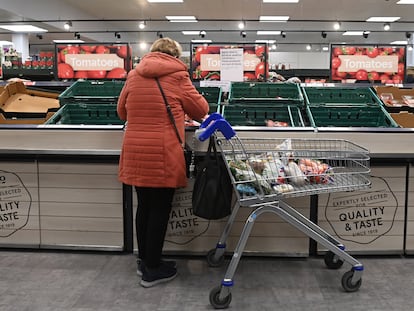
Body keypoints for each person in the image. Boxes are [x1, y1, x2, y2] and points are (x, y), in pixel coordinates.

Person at [117, 37, 209, 288]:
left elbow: (121, 112)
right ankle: (153, 270)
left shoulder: (134, 75)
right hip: (162, 152)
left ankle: (145, 260)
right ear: (176, 56)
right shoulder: (179, 75)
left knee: (144, 206)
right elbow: (201, 110)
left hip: (135, 150)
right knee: (159, 209)